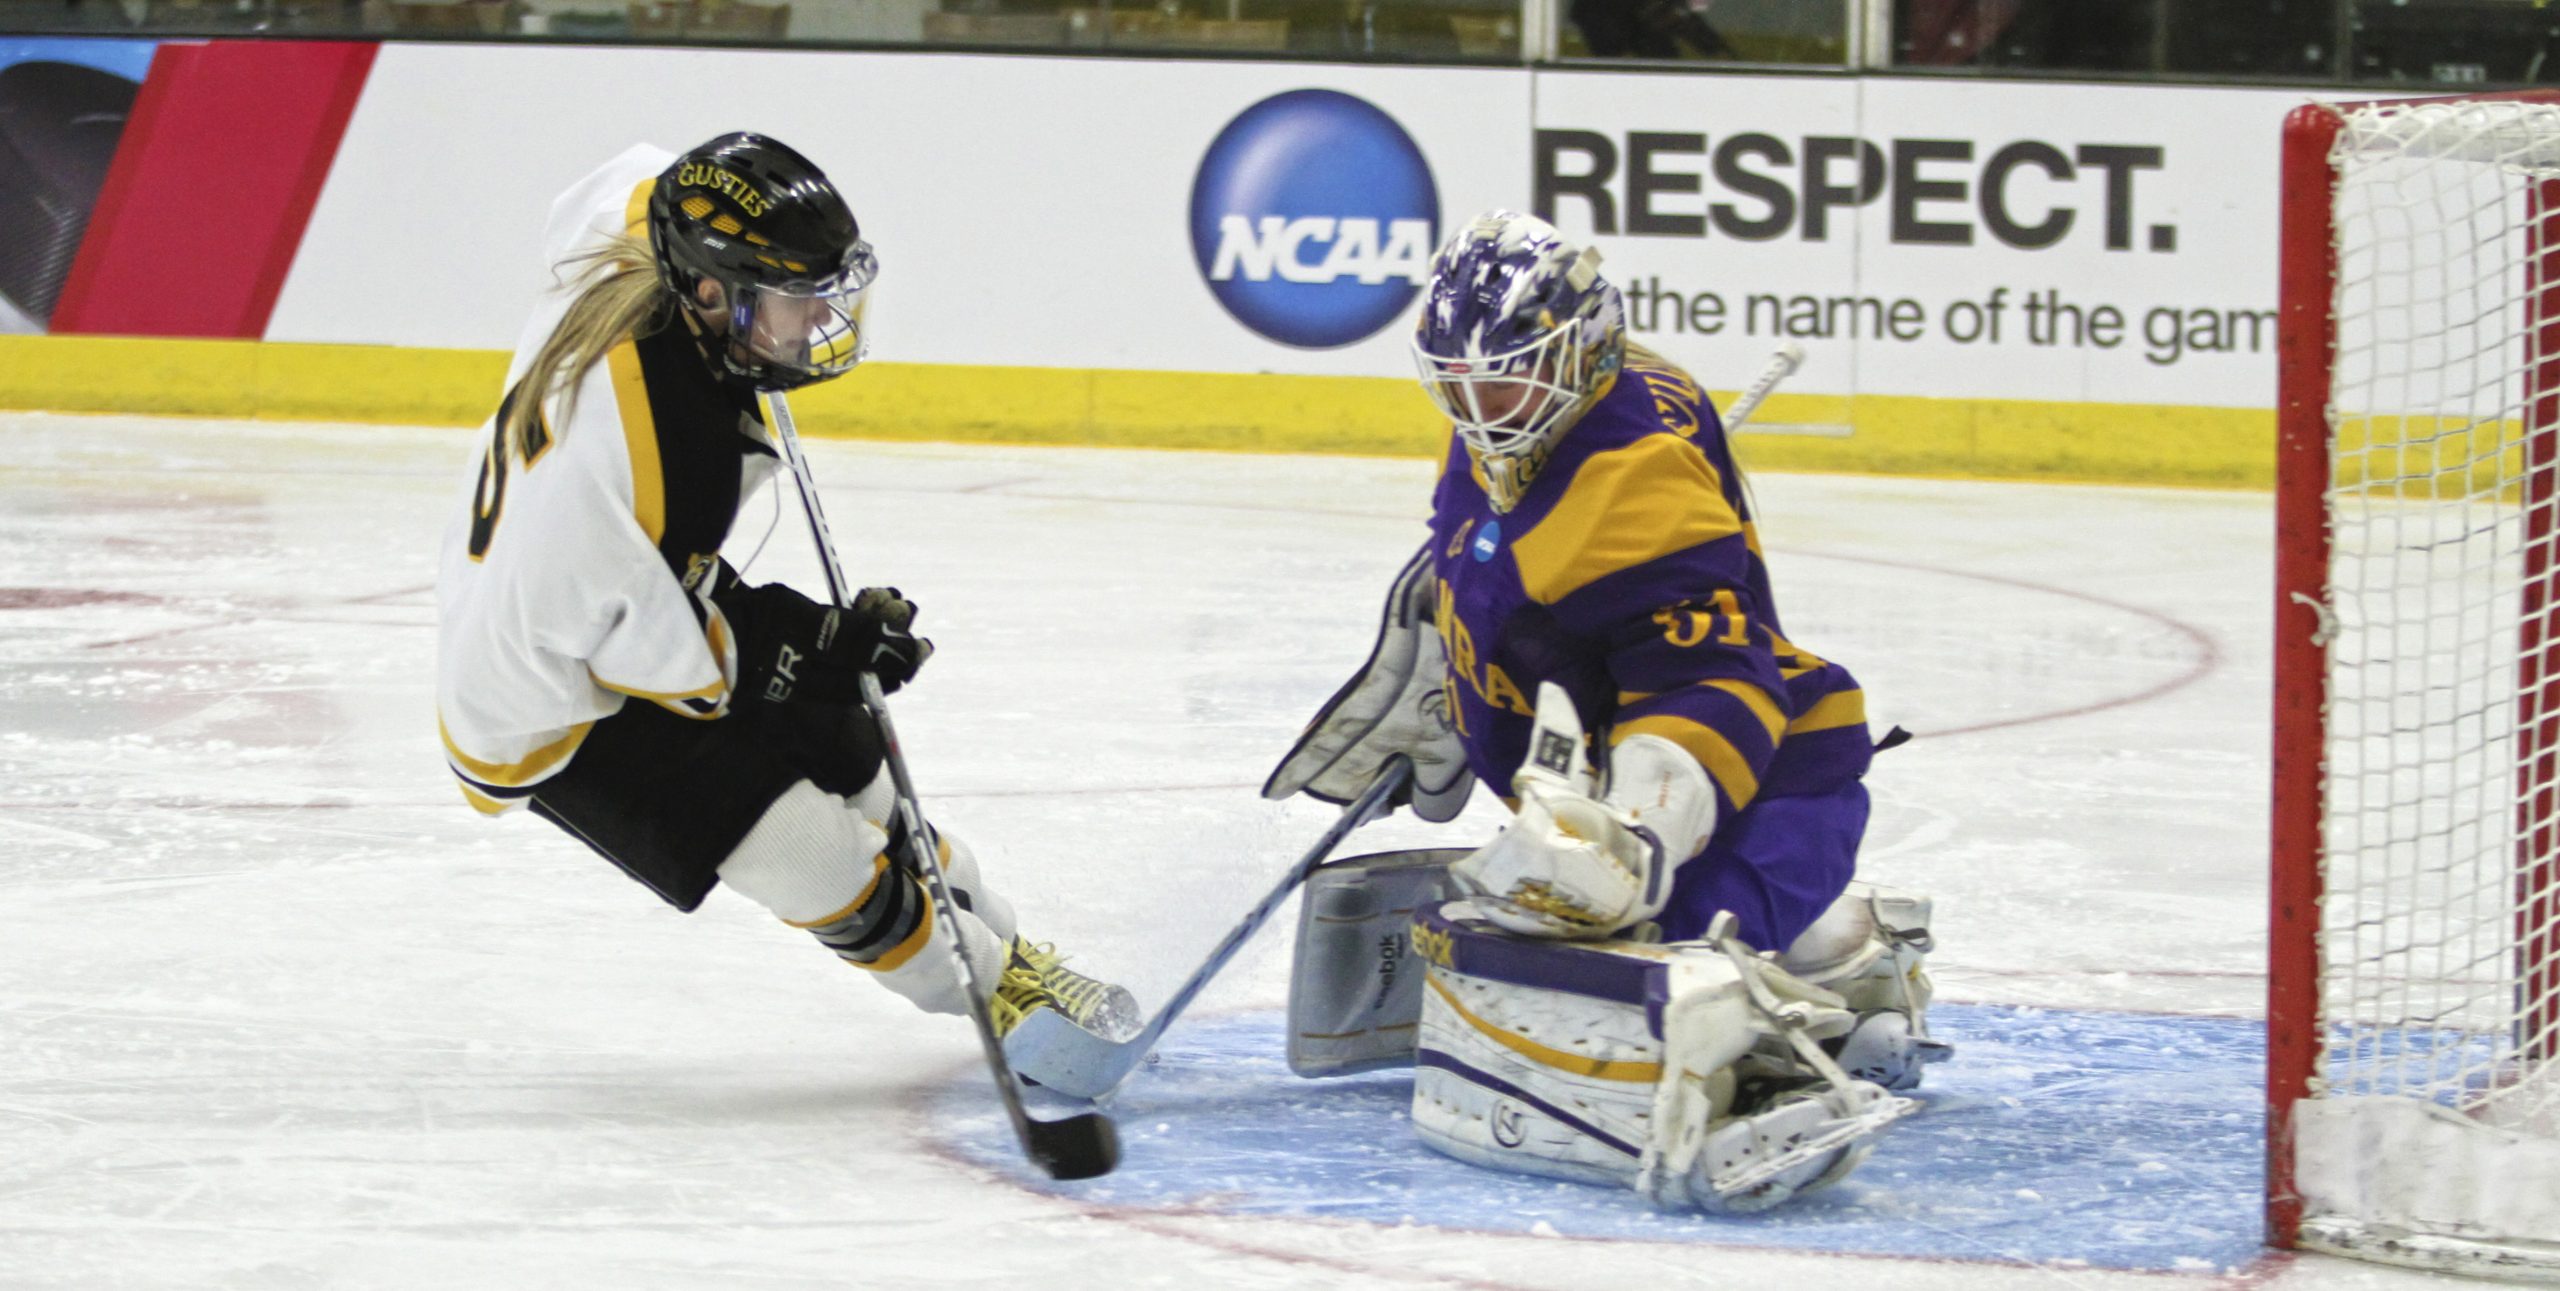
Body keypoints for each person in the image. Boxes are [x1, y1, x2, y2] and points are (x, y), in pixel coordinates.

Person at [1268, 210, 1944, 1212]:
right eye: (1450, 384)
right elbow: (1504, 556)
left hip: (1769, 788)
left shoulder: (1633, 480)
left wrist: (1634, 833)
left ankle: (1828, 984)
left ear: (1582, 351)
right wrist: (1445, 663)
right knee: (1570, 915)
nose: (1474, 407)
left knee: (1651, 944)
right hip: (1602, 755)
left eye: (1496, 381)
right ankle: (1828, 951)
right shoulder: (1530, 417)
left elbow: (1712, 686)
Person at [434, 132, 1138, 1066]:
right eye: (795, 306)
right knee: (805, 844)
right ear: (711, 293)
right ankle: (983, 993)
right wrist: (807, 643)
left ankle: (1009, 956)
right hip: (546, 700)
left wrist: (815, 656)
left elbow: (631, 180)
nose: (816, 326)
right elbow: (647, 655)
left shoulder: (650, 242)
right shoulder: (654, 461)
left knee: (847, 754)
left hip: (620, 587)